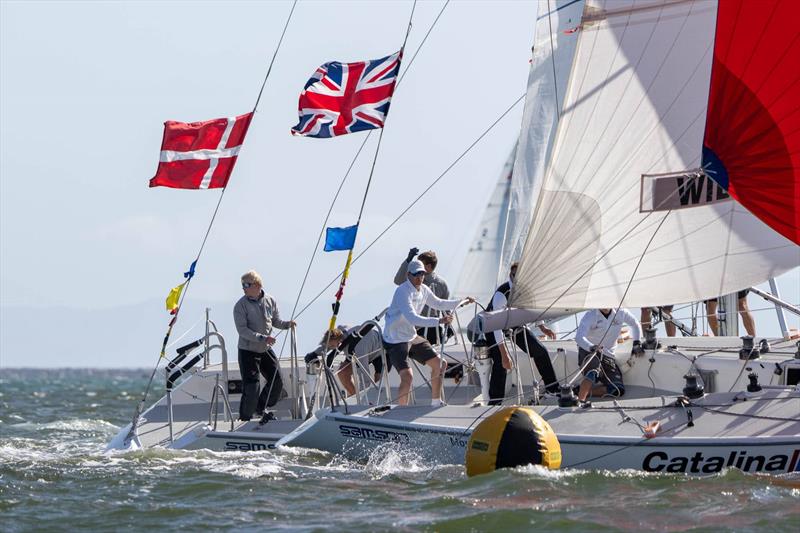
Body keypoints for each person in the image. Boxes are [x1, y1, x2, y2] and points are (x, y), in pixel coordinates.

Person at [383, 259, 473, 406]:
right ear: (408, 275)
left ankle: (436, 403)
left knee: (440, 364)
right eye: (416, 275)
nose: (420, 278)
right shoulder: (402, 291)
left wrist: (462, 302)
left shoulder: (423, 289)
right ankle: (400, 411)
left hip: (411, 336)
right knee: (408, 377)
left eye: (422, 274)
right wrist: (439, 321)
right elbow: (412, 318)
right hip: (395, 339)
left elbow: (438, 303)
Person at [485, 262, 560, 404]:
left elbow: (531, 309)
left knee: (540, 351)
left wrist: (542, 327)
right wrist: (504, 353)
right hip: (493, 325)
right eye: (515, 275)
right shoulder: (502, 294)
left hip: (514, 323)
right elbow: (497, 327)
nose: (518, 279)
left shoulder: (526, 290)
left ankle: (553, 389)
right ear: (511, 275)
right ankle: (495, 402)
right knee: (501, 362)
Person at [233, 270, 295, 421]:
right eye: (243, 285)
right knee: (252, 387)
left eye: (247, 285)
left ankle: (259, 409)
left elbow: (275, 321)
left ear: (258, 285)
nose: (244, 288)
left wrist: (287, 325)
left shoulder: (270, 300)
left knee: (277, 381)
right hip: (248, 351)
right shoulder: (240, 306)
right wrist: (262, 338)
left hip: (265, 349)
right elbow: (243, 331)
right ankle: (245, 418)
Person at [575, 308, 643, 404]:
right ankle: (580, 401)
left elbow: (635, 324)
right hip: (589, 351)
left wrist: (637, 342)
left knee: (617, 390)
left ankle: (578, 391)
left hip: (608, 355)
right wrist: (591, 347)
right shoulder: (590, 315)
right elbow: (579, 337)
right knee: (592, 372)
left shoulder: (621, 312)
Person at [305, 324, 386, 397]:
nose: (332, 348)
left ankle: (369, 401)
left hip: (380, 350)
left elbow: (365, 378)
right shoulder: (340, 333)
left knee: (377, 380)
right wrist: (314, 354)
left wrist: (365, 397)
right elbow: (329, 344)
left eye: (334, 346)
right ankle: (356, 398)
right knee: (342, 373)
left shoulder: (358, 347)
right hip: (355, 350)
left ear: (340, 343)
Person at [393, 248, 452, 345]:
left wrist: (448, 325)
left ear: (428, 267)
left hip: (431, 328)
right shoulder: (412, 279)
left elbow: (444, 308)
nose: (416, 267)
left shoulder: (442, 284)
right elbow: (398, 281)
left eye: (420, 264)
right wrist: (408, 260)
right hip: (412, 326)